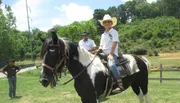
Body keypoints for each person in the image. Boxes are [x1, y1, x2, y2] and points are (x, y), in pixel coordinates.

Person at [98, 14, 123, 92]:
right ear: (103, 24)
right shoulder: (103, 35)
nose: (107, 23)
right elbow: (101, 45)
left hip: (112, 53)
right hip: (103, 53)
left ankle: (120, 84)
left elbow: (115, 43)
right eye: (105, 22)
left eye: (108, 22)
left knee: (111, 65)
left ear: (111, 23)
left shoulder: (114, 32)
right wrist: (98, 50)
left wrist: (111, 54)